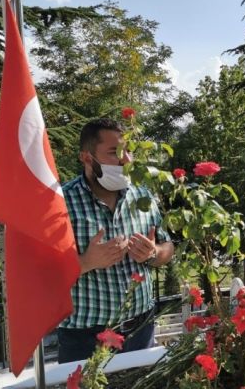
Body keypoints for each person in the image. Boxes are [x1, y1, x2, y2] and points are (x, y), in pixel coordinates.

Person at [57, 118, 174, 363]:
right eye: (114, 152)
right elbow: (42, 272)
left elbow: (167, 247)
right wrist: (86, 262)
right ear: (86, 157)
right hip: (84, 338)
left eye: (128, 151)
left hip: (140, 329)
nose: (126, 160)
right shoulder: (61, 204)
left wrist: (153, 253)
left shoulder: (142, 197)